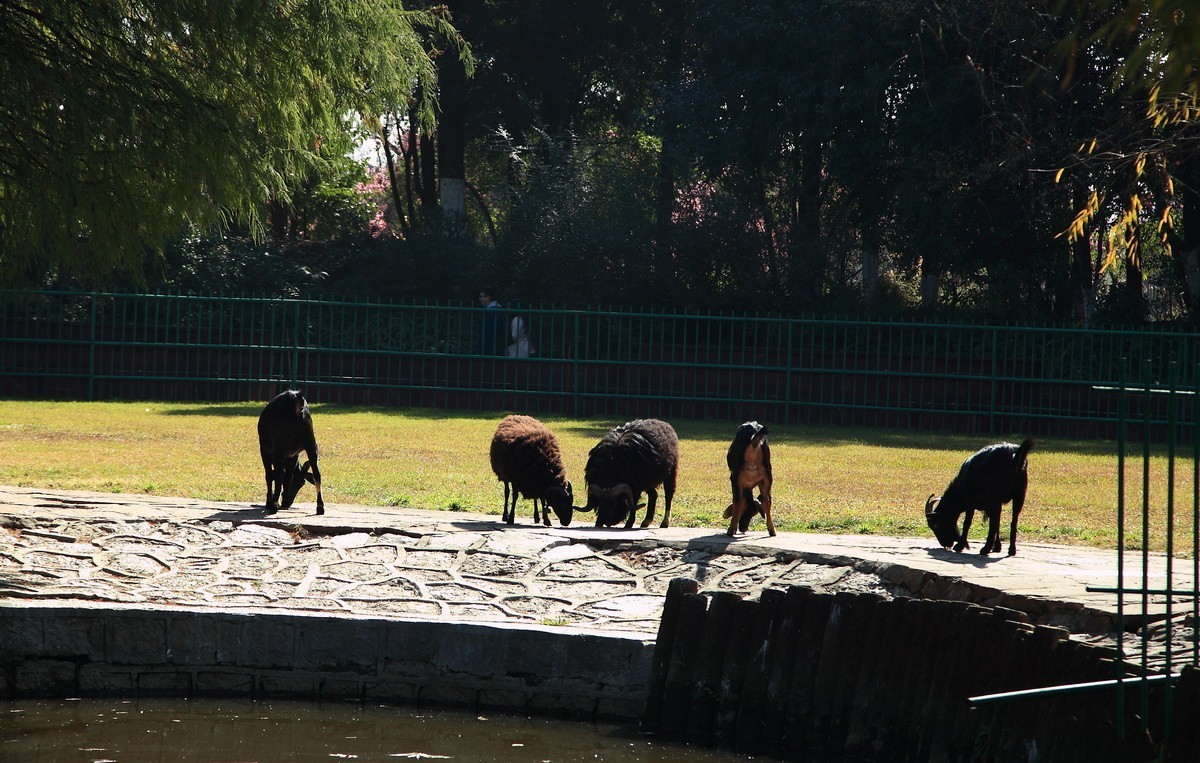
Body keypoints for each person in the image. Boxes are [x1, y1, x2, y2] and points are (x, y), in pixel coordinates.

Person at [477, 287, 506, 355]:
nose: (480, 299)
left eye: (481, 296)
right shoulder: (495, 311)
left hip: (490, 349)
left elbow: (490, 332)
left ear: (488, 297)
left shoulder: (493, 312)